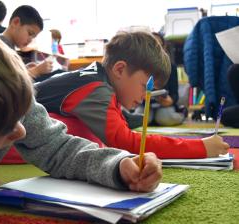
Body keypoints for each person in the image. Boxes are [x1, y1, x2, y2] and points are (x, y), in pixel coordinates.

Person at [0, 12, 162, 200]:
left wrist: (118, 165)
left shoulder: (12, 103)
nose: (21, 131)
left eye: (20, 114)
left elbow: (58, 147)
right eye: (2, 127)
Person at [35, 31, 229, 159]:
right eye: (145, 87)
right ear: (120, 69)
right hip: (13, 125)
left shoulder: (100, 79)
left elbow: (125, 121)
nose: (146, 96)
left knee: (92, 135)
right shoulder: (96, 89)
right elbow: (127, 142)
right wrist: (199, 147)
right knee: (88, 136)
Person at [135, 32, 187, 126]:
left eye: (158, 45)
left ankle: (182, 114)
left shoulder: (171, 67)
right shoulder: (139, 67)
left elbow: (174, 93)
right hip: (146, 105)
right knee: (141, 119)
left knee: (164, 118)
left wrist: (170, 100)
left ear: (163, 48)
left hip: (164, 105)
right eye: (151, 45)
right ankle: (154, 119)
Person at [0, 5, 53, 80]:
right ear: (15, 22)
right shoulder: (0, 46)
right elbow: (10, 81)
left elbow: (11, 73)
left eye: (33, 37)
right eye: (30, 33)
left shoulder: (6, 45)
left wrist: (25, 69)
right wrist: (36, 71)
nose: (30, 40)